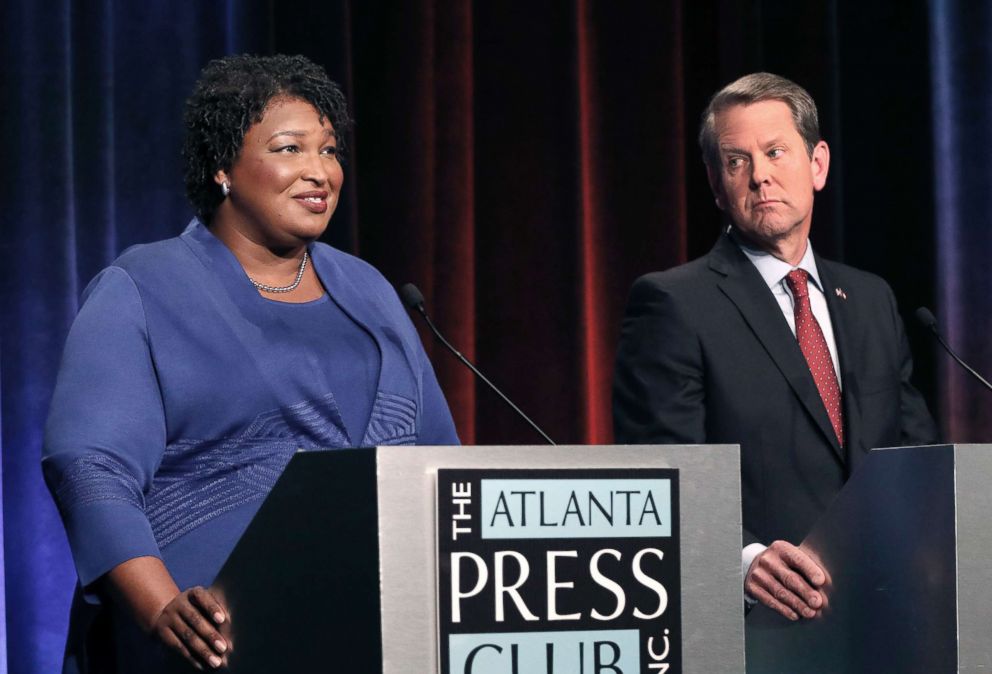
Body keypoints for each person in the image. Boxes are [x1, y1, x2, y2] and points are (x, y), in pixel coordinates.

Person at [43, 54, 459, 673]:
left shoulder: (371, 291)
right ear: (223, 168)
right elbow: (91, 467)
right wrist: (159, 607)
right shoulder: (145, 286)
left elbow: (438, 466)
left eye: (330, 151)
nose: (320, 172)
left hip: (382, 634)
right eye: (291, 149)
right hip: (212, 647)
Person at [613, 72, 938, 622]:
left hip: (889, 613)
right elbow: (660, 475)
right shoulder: (673, 303)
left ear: (817, 165)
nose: (760, 175)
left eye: (775, 152)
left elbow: (916, 452)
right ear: (717, 185)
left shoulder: (869, 297)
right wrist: (743, 561)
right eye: (737, 161)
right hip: (760, 623)